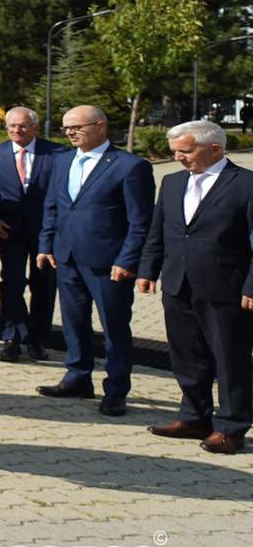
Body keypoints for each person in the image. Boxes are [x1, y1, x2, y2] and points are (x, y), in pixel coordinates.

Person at [137, 120, 253, 454]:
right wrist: (149, 269)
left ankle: (231, 427)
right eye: (174, 151)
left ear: (215, 148)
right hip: (178, 282)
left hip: (226, 287)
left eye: (185, 151)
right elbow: (158, 231)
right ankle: (194, 416)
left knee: (230, 359)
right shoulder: (172, 183)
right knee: (187, 355)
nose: (178, 158)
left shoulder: (245, 184)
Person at [37, 105, 154, 416]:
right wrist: (46, 245)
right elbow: (53, 207)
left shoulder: (130, 166)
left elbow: (140, 220)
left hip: (109, 263)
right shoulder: (61, 161)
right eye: (65, 128)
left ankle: (116, 390)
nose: (70, 133)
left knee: (114, 328)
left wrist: (128, 259)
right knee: (74, 323)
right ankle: (78, 377)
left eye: (77, 126)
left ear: (100, 126)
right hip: (66, 258)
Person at [0, 106, 62, 361]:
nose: (17, 130)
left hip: (46, 232)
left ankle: (38, 340)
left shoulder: (58, 153)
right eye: (12, 126)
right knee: (12, 284)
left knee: (44, 286)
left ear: (36, 128)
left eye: (23, 126)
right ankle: (11, 337)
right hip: (9, 231)